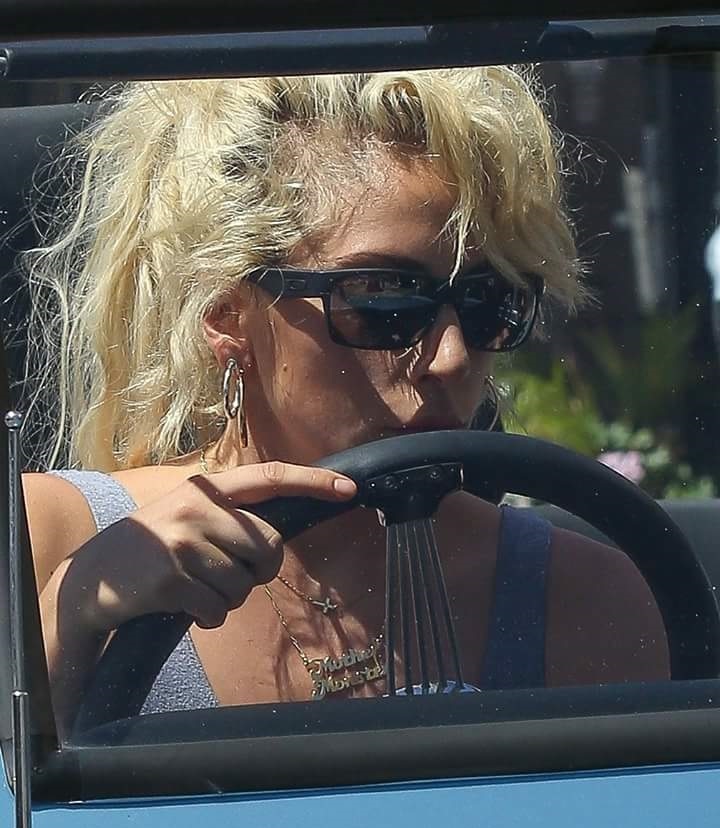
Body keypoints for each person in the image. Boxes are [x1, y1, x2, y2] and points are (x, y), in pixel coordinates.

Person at [22, 68, 668, 733]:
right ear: (228, 313)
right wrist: (70, 617)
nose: (451, 357)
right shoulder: (48, 538)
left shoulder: (587, 595)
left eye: (489, 301)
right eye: (384, 298)